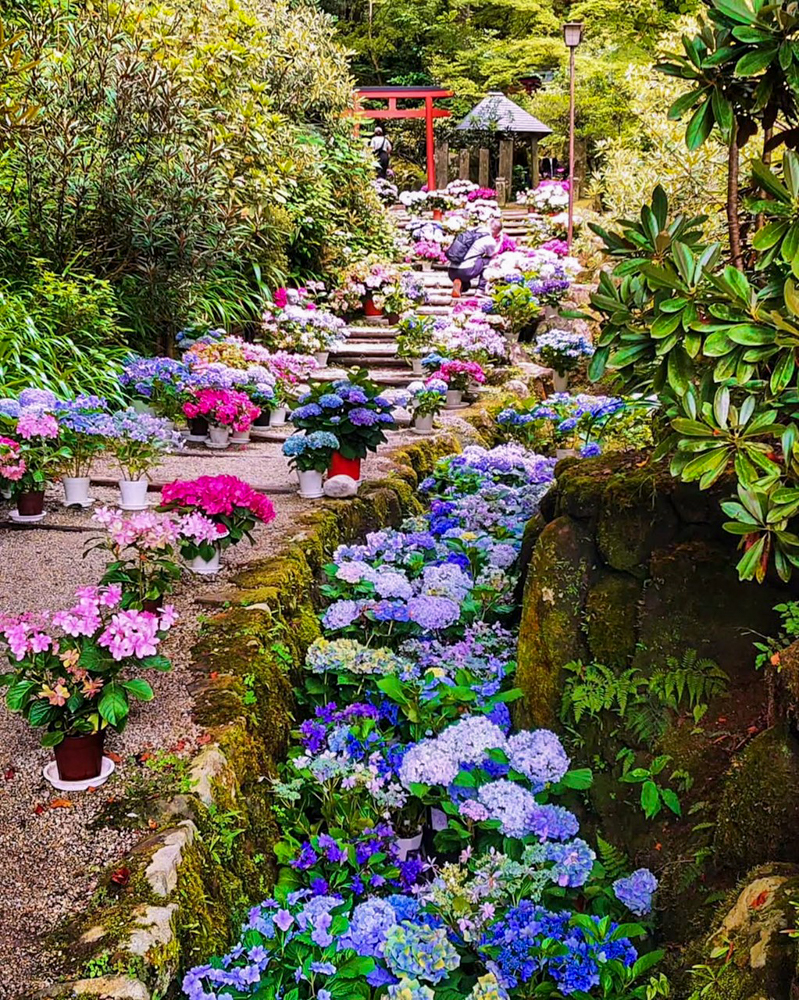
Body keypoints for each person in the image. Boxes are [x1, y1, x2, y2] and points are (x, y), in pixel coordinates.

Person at [446, 217, 503, 297]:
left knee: (467, 284)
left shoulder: (473, 230)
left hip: (451, 271)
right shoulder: (490, 240)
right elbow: (491, 254)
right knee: (488, 261)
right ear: (498, 232)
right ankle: (481, 289)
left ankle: (460, 285)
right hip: (466, 272)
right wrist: (500, 241)